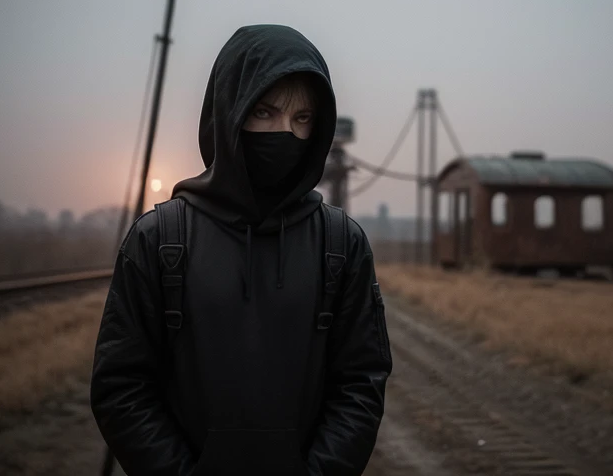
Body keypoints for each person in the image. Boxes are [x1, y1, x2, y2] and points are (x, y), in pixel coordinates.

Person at [90, 24, 392, 476]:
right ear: (229, 111)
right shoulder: (158, 240)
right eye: (265, 113)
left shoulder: (342, 244)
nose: (284, 133)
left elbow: (360, 384)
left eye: (302, 119)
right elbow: (121, 386)